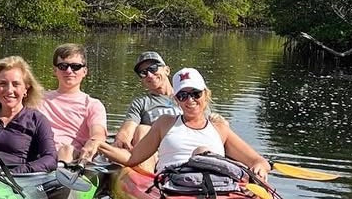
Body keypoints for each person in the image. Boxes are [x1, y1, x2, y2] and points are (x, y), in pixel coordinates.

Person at [96, 66, 272, 182]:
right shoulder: (164, 124)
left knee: (204, 153)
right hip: (174, 186)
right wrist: (99, 145)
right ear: (176, 100)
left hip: (216, 186)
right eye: (183, 96)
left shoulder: (220, 128)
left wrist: (260, 168)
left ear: (206, 94)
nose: (190, 100)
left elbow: (258, 161)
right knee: (199, 152)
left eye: (195, 94)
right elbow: (133, 159)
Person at [0, 56, 57, 173]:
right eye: (3, 84)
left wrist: (20, 171)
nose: (9, 90)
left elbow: (50, 159)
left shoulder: (37, 120)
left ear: (26, 89)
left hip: (16, 181)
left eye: (16, 84)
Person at [37, 43, 108, 165]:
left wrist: (94, 141)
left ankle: (59, 179)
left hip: (72, 159)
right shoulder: (38, 99)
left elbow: (98, 134)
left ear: (85, 71)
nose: (69, 71)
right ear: (55, 70)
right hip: (39, 153)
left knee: (66, 149)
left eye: (75, 66)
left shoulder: (92, 105)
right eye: (63, 66)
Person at [115, 50, 181, 170]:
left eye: (153, 68)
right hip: (154, 153)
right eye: (143, 73)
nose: (149, 75)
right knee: (142, 129)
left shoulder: (189, 97)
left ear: (167, 70)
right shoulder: (141, 103)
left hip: (182, 147)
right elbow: (128, 129)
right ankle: (145, 182)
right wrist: (122, 138)